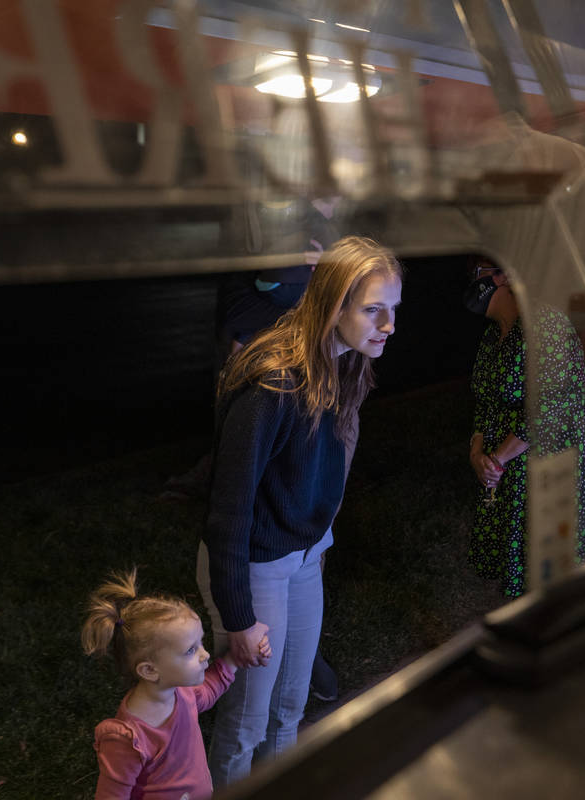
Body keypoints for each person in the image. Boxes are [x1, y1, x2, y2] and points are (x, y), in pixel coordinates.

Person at [196, 235, 402, 786]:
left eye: (393, 310)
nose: (387, 325)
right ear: (334, 303)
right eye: (373, 309)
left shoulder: (346, 363)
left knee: (290, 709)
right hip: (256, 563)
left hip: (308, 555)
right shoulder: (274, 381)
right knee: (245, 721)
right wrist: (238, 615)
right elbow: (228, 508)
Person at [463, 259, 585, 598]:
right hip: (505, 465)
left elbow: (551, 406)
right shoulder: (492, 337)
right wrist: (478, 453)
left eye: (476, 273)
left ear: (504, 276)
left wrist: (497, 460)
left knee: (549, 569)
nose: (470, 284)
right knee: (520, 574)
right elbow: (484, 400)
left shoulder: (546, 324)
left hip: (545, 465)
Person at [81, 568, 271, 800]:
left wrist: (234, 659)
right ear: (150, 670)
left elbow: (208, 691)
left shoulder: (181, 695)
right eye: (191, 650)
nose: (205, 654)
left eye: (200, 642)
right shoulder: (129, 739)